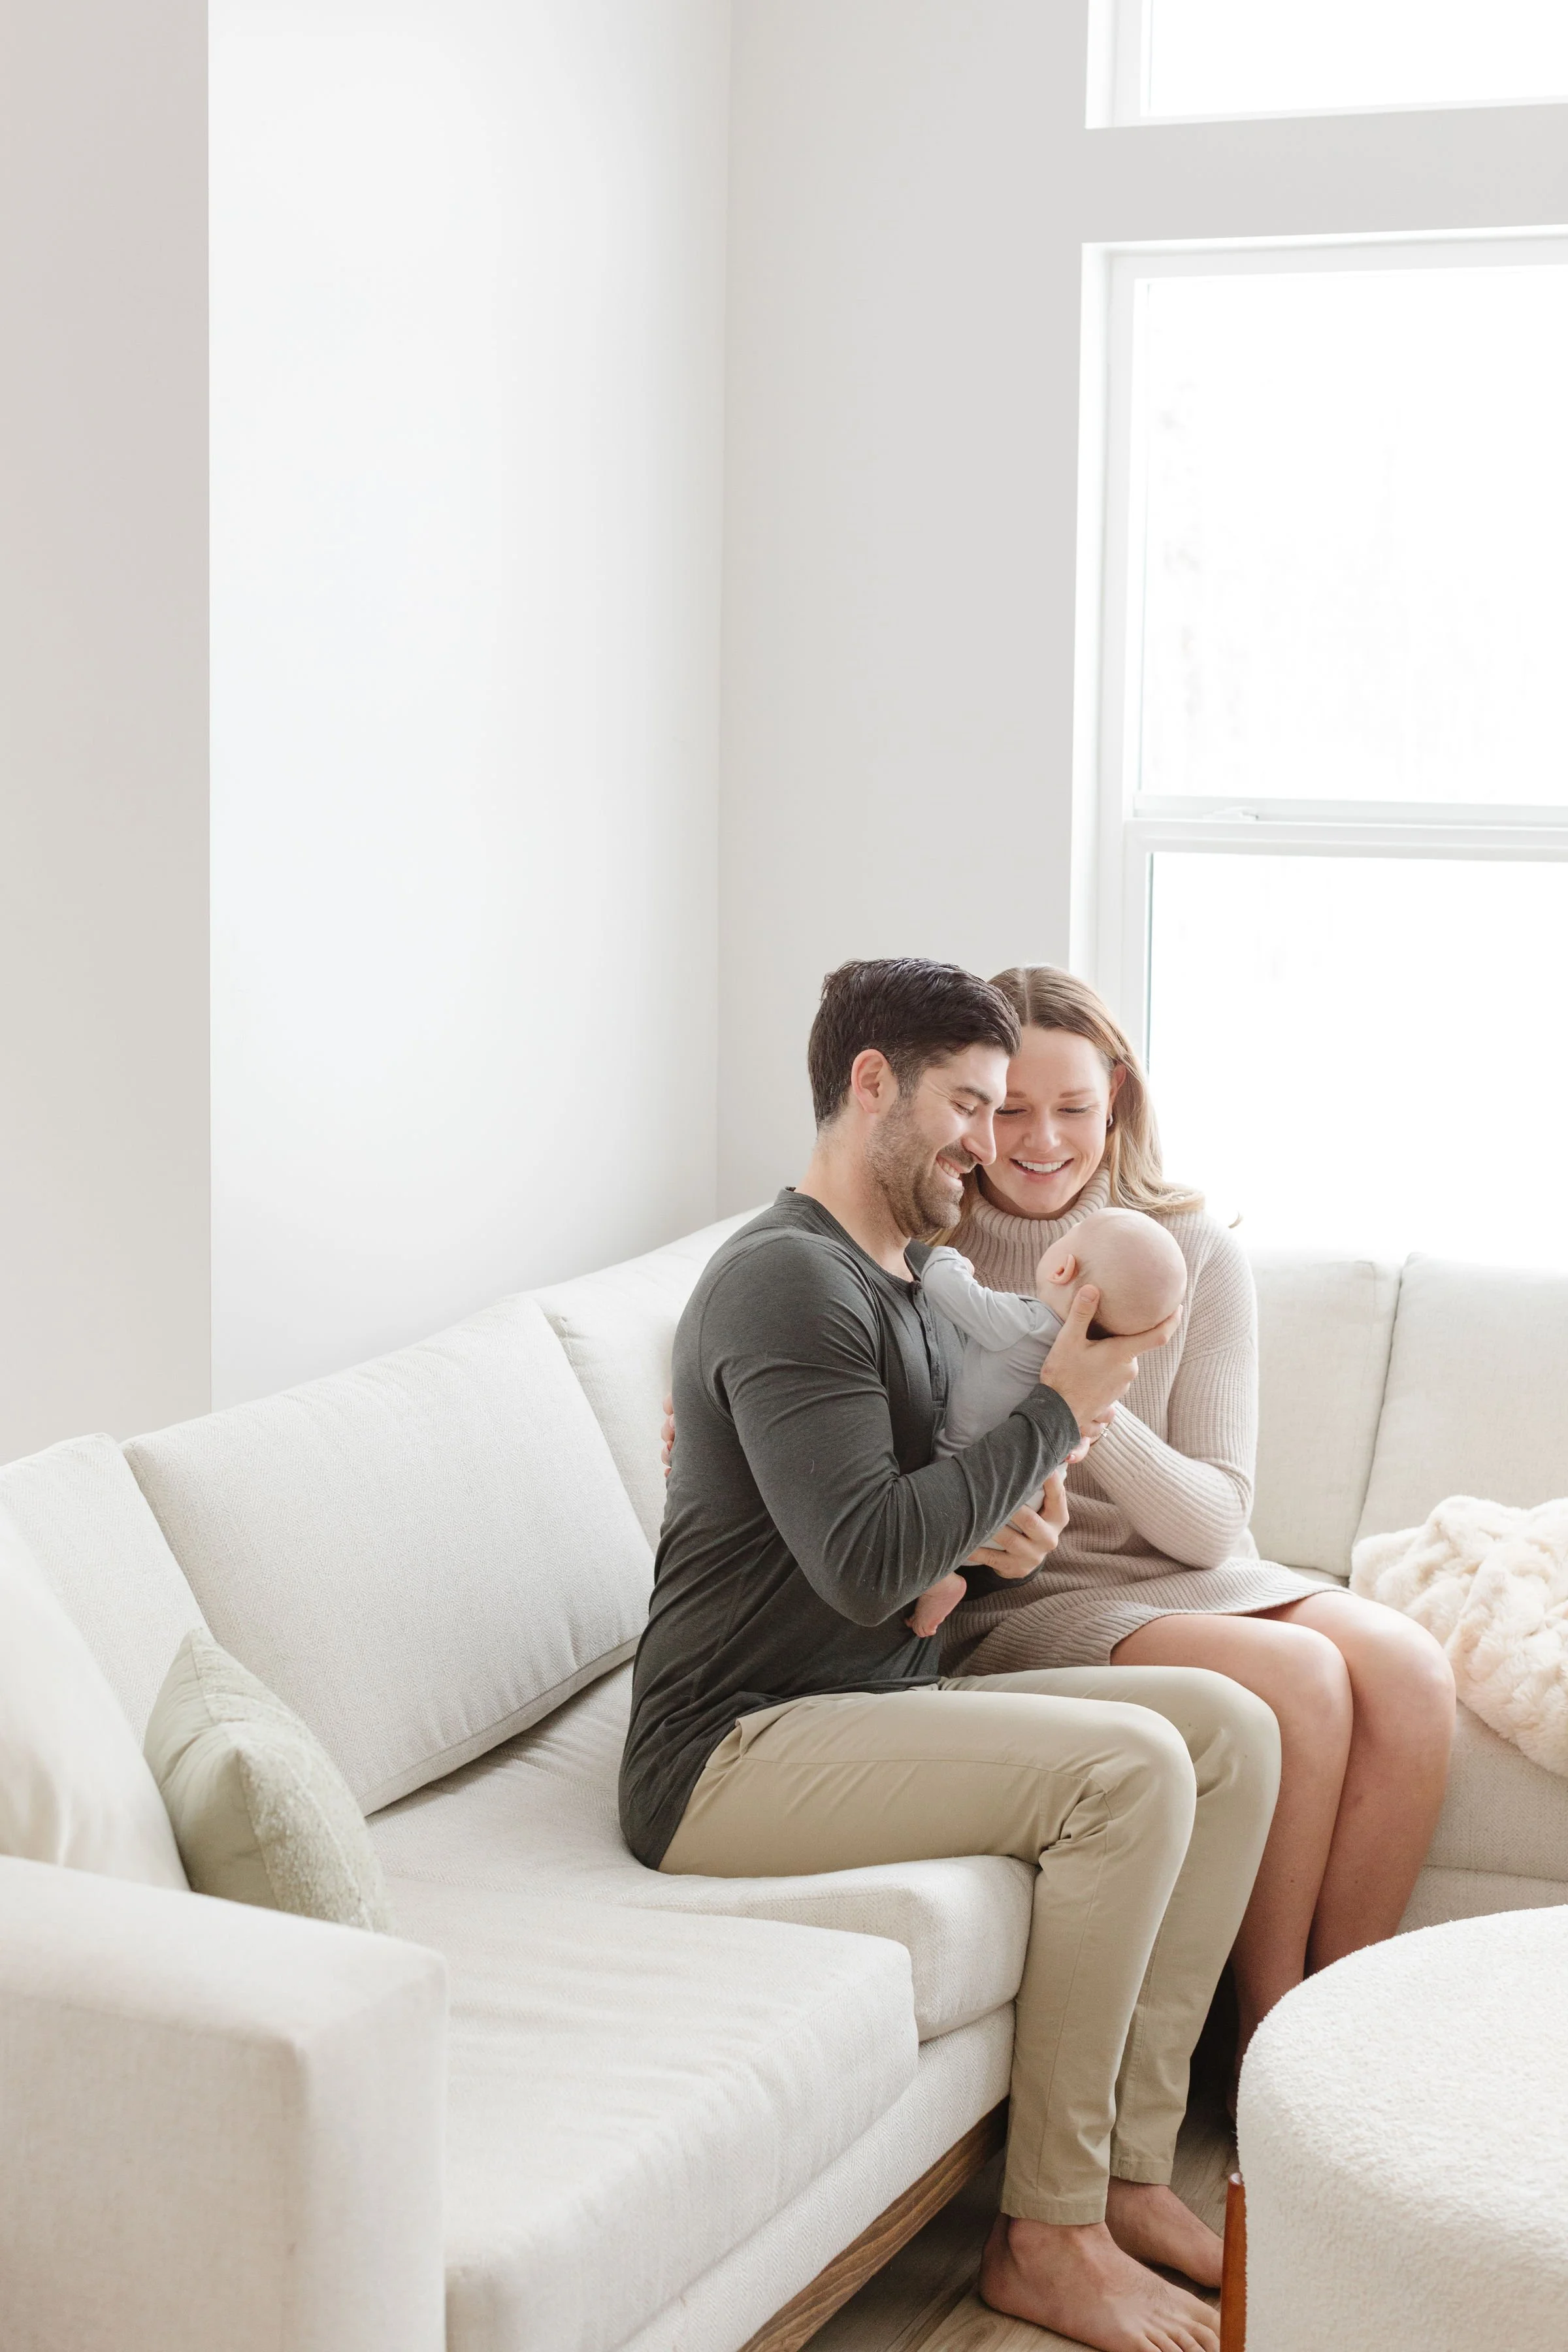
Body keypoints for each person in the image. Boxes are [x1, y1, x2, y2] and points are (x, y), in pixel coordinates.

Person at [622, 957, 1281, 2352]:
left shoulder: (904, 1275)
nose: (993, 1145)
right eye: (971, 1107)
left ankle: (1127, 2169)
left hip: (864, 1689)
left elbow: (899, 1534)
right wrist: (1061, 1408)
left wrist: (988, 1546)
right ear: (874, 1088)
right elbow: (865, 1559)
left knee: (1234, 1730)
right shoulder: (789, 1282)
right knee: (1133, 1771)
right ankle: (1046, 2233)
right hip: (730, 1748)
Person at [939, 964, 1456, 2068]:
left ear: (1116, 1096)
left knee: (1409, 1672)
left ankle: (1335, 2039)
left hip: (1194, 1573)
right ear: (968, 1109)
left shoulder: (1193, 1253)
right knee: (1304, 1679)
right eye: (1008, 1108)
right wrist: (1060, 1378)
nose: (1041, 1140)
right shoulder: (932, 1266)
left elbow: (1215, 1529)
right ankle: (1263, 2047)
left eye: (1072, 1107)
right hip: (1033, 1604)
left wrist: (1089, 1392)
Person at [906, 1215, 1190, 1637]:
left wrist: (947, 1259)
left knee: (923, 1509)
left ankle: (938, 1579)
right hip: (1031, 1516)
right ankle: (942, 1578)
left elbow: (951, 1292)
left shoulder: (1026, 1322)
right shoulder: (1098, 1371)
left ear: (1062, 1268)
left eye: (1065, 1239)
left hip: (976, 1485)